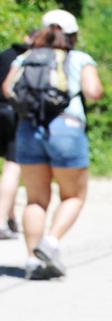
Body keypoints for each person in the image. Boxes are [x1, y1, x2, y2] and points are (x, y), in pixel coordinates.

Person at [1, 10, 103, 279]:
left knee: (35, 200)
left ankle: (32, 260)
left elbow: (8, 89)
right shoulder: (79, 58)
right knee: (73, 195)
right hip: (66, 129)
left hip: (27, 129)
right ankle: (51, 242)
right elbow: (93, 91)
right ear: (73, 35)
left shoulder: (25, 58)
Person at [0, 30, 34, 240]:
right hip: (14, 116)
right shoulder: (30, 60)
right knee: (12, 168)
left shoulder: (4, 54)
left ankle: (10, 216)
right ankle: (2, 220)